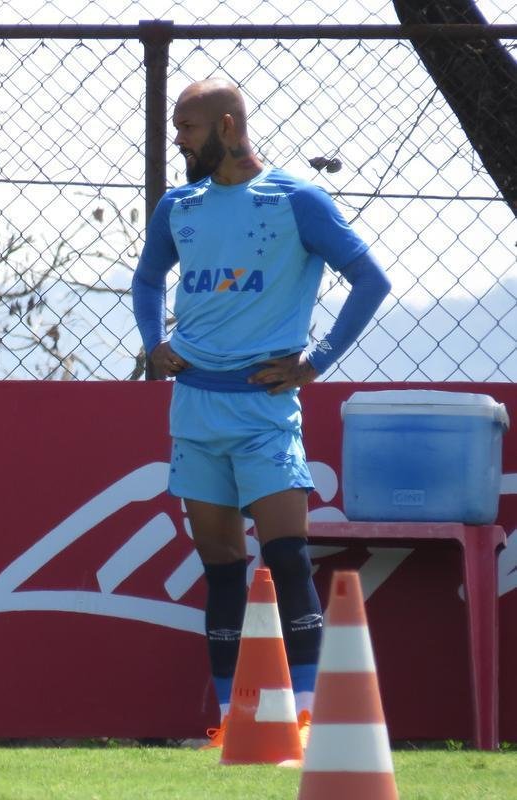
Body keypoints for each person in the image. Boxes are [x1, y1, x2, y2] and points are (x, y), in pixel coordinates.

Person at [131, 79, 391, 748]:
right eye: (175, 128)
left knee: (287, 559)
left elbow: (371, 279)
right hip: (194, 408)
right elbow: (147, 278)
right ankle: (230, 723)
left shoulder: (296, 199)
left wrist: (318, 361)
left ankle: (306, 720)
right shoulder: (178, 206)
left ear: (226, 124)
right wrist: (153, 342)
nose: (178, 140)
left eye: (187, 127)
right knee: (222, 567)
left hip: (265, 412)